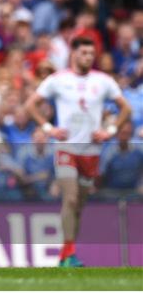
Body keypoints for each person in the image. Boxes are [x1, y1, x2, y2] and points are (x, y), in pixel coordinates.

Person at [25, 37, 131, 267]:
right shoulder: (58, 80)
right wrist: (48, 128)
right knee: (70, 198)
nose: (88, 57)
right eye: (84, 53)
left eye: (91, 54)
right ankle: (67, 255)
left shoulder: (103, 81)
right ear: (73, 54)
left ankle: (68, 253)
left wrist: (110, 130)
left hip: (91, 152)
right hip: (66, 148)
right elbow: (31, 104)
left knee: (79, 205)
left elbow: (126, 108)